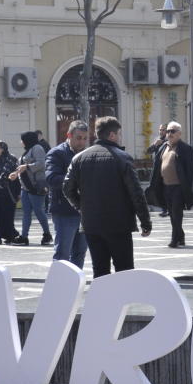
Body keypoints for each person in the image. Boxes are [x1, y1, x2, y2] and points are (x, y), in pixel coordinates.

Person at [63, 116, 152, 276]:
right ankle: (121, 300)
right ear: (112, 135)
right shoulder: (123, 158)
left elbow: (67, 189)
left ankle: (101, 301)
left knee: (100, 270)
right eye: (119, 134)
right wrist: (145, 221)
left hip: (92, 224)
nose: (119, 137)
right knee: (124, 270)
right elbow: (136, 193)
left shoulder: (79, 159)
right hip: (119, 223)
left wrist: (81, 207)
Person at [46, 121, 90, 267]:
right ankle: (59, 287)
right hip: (64, 211)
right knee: (62, 255)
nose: (82, 142)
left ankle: (75, 287)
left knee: (79, 253)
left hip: (84, 212)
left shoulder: (87, 153)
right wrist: (78, 181)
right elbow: (52, 179)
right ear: (69, 135)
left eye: (85, 138)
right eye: (78, 138)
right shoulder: (57, 153)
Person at [148, 121, 193, 248]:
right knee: (171, 213)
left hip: (178, 187)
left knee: (176, 213)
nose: (169, 134)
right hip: (165, 186)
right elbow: (156, 164)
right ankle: (181, 236)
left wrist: (187, 188)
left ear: (179, 134)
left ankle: (175, 239)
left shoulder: (186, 149)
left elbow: (189, 171)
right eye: (168, 131)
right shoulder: (163, 147)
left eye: (172, 131)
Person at [8, 131, 52, 247]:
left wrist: (26, 166)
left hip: (36, 186)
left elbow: (42, 164)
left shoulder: (37, 148)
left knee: (38, 211)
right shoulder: (27, 150)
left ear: (27, 139)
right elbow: (22, 168)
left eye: (22, 139)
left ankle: (47, 234)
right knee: (26, 213)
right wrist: (15, 173)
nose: (20, 142)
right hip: (26, 187)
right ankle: (24, 236)